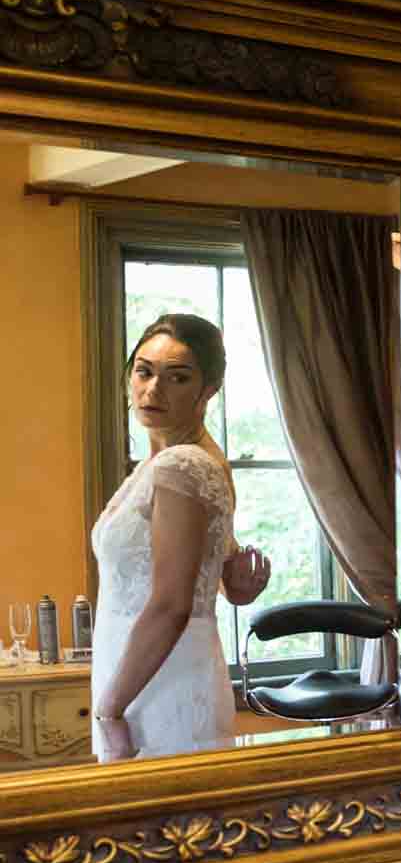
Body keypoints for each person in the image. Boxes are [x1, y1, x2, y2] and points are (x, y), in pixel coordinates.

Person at [92, 314, 272, 762]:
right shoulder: (187, 462)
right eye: (144, 370)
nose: (153, 390)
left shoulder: (182, 466)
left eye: (178, 377)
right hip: (142, 669)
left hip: (156, 682)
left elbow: (172, 604)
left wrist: (109, 710)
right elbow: (217, 569)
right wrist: (237, 582)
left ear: (208, 389)